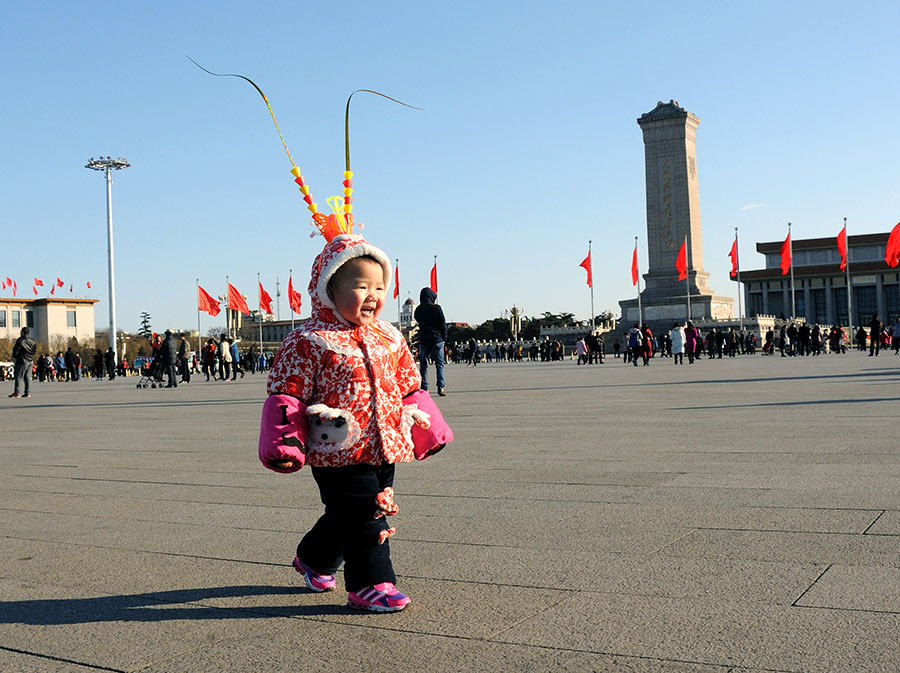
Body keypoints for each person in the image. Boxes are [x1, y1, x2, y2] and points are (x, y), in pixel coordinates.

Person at [261, 233, 427, 613]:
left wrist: (428, 428)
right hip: (335, 448)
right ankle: (371, 583)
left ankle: (314, 559)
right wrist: (283, 441)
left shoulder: (389, 336)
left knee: (348, 512)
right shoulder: (308, 339)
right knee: (367, 512)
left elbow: (409, 385)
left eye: (379, 286)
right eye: (360, 286)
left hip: (386, 444)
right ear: (328, 289)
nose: (372, 294)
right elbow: (286, 393)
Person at [413, 287, 447, 396]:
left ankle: (424, 388)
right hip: (437, 339)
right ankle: (441, 387)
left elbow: (418, 320)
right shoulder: (437, 308)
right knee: (439, 364)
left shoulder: (418, 310)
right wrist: (444, 337)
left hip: (424, 340)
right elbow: (442, 324)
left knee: (423, 365)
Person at [9, 327, 36, 398]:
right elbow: (34, 351)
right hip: (30, 360)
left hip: (22, 360)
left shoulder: (20, 340)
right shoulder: (32, 341)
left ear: (23, 332)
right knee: (27, 377)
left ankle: (17, 392)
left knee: (18, 376)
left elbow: (16, 350)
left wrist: (16, 356)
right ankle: (27, 392)